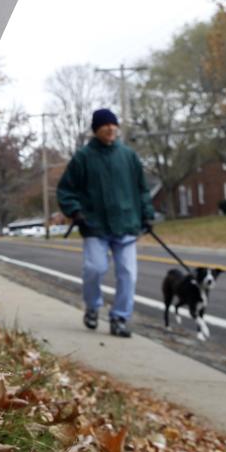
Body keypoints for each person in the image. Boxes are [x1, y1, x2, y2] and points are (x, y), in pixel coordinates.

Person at [56, 108, 154, 338]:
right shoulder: (83, 158)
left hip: (127, 224)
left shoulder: (128, 156)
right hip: (94, 225)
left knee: (128, 273)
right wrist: (76, 212)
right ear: (96, 129)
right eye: (105, 125)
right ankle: (92, 306)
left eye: (113, 125)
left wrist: (147, 215)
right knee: (94, 268)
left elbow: (142, 189)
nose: (111, 128)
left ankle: (120, 317)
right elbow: (65, 190)